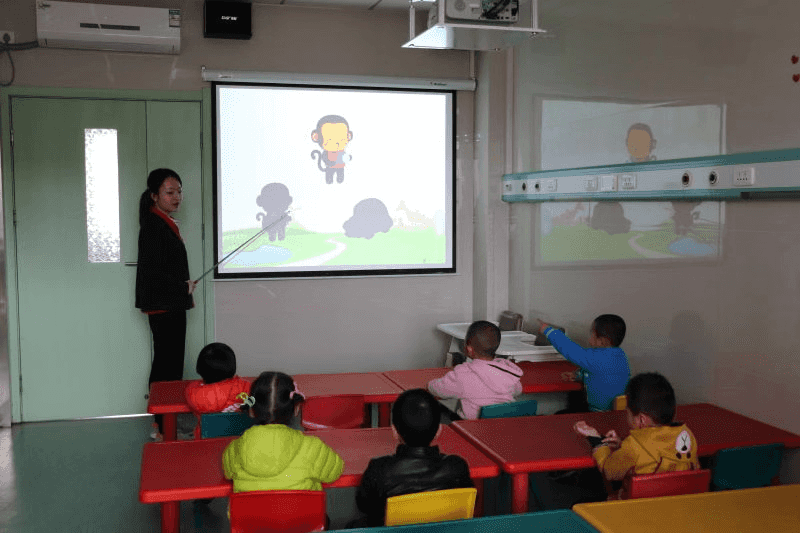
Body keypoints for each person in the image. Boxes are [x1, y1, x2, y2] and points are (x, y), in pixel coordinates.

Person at [136, 168, 197, 438]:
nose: (176, 197)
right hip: (164, 305)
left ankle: (165, 421)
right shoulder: (153, 224)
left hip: (170, 302)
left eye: (179, 192)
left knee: (170, 364)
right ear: (154, 195)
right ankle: (161, 425)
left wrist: (183, 286)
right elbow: (153, 272)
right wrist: (182, 286)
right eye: (169, 192)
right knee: (166, 366)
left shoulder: (163, 221)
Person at [354, 389, 473, 527]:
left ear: (394, 431)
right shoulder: (457, 467)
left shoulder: (379, 470)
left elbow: (364, 506)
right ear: (439, 431)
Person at [574, 372, 699, 498]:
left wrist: (596, 440)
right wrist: (622, 444)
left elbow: (609, 470)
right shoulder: (688, 436)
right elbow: (654, 451)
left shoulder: (633, 447)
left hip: (634, 507)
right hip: (676, 505)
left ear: (641, 420)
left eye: (627, 412)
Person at [223, 371, 344, 492]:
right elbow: (334, 472)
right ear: (296, 409)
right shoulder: (314, 448)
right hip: (300, 505)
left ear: (251, 410)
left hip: (251, 506)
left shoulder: (234, 450)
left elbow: (228, 474)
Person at [428, 320, 523, 420]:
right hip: (503, 425)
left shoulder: (463, 374)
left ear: (469, 349)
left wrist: (430, 385)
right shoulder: (507, 371)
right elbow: (518, 390)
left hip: (471, 427)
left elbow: (438, 390)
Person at [538, 315, 630, 412]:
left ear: (603, 341)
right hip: (618, 413)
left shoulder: (596, 358)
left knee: (562, 413)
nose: (590, 335)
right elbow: (602, 375)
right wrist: (577, 375)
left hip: (600, 414)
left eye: (592, 332)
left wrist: (548, 331)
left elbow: (570, 350)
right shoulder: (621, 356)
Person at [185, 342, 251, 439]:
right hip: (239, 439)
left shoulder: (194, 394)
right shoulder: (244, 387)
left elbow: (191, 387)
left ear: (199, 369)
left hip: (206, 442)